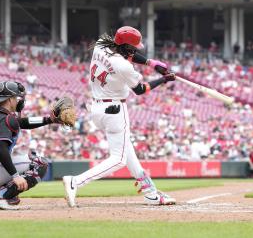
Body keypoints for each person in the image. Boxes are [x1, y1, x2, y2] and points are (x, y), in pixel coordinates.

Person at [63, 26, 176, 207]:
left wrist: (151, 63)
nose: (135, 50)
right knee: (119, 159)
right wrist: (163, 80)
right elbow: (141, 89)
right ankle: (75, 181)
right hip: (115, 110)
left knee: (127, 151)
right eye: (132, 47)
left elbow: (125, 53)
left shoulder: (102, 44)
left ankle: (151, 193)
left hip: (97, 108)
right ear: (125, 46)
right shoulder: (123, 65)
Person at [0, 81, 60, 210]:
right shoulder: (5, 117)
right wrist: (15, 176)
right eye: (17, 98)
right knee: (40, 163)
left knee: (13, 197)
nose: (19, 101)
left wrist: (49, 120)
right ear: (10, 99)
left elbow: (22, 122)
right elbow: (0, 147)